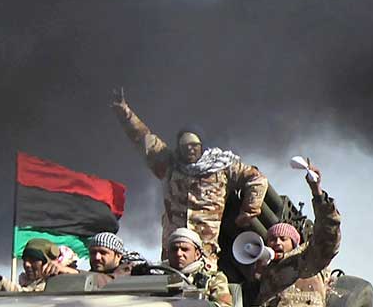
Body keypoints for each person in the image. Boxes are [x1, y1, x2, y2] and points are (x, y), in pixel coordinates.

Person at [112, 87, 269, 252]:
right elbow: (142, 138)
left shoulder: (221, 166)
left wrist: (248, 210)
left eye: (194, 146)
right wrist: (124, 113)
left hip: (205, 249)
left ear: (202, 146)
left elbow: (257, 179)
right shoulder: (169, 165)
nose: (190, 150)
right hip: (174, 249)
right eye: (185, 147)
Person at [242, 162, 341, 307]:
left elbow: (328, 235)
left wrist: (317, 193)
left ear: (294, 242)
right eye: (273, 239)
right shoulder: (265, 268)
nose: (277, 243)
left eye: (283, 239)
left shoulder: (307, 261)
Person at [0, 238, 77, 293]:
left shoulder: (56, 283)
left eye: (34, 260)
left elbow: (23, 295)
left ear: (48, 263)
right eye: (25, 260)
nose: (26, 265)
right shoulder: (27, 282)